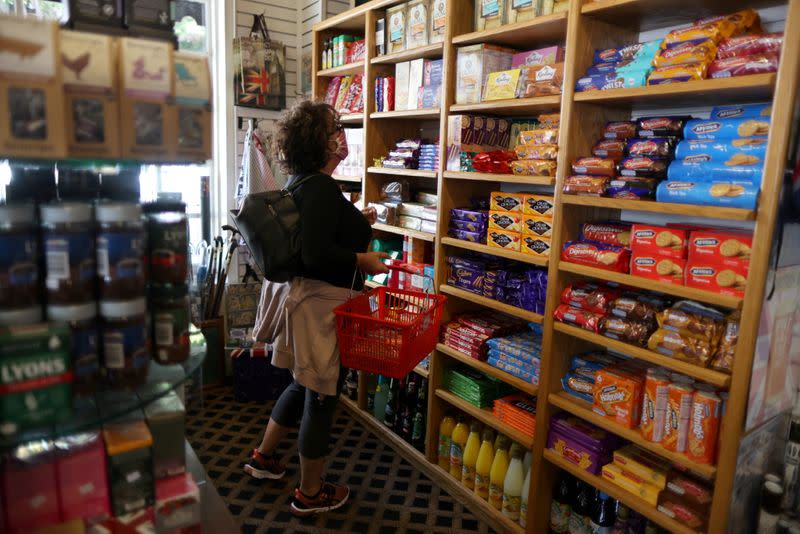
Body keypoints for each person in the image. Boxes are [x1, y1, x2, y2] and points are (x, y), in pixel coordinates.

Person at [243, 100, 388, 517]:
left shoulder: (303, 182)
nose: (341, 134)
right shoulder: (322, 188)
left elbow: (317, 237)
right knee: (322, 395)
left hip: (304, 300)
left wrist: (357, 219)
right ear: (320, 141)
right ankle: (309, 492)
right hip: (323, 305)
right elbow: (318, 253)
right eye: (334, 128)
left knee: (302, 383)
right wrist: (364, 261)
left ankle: (265, 458)